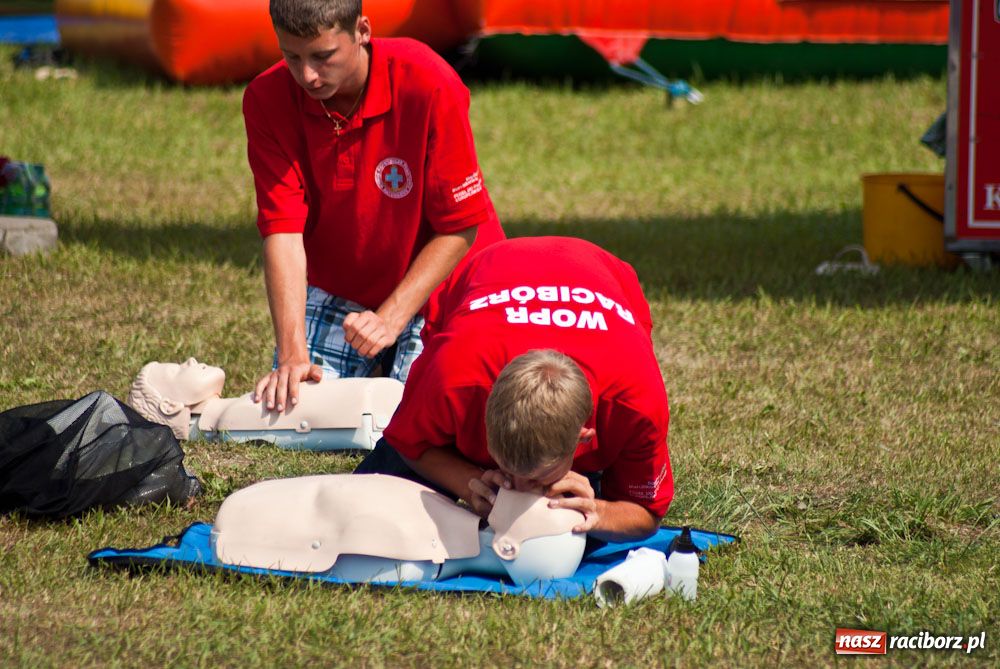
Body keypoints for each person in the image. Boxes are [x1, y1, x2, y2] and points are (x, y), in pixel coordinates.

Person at [244, 0, 504, 414]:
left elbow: (460, 227)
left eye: (323, 56)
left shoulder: (429, 81)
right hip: (345, 290)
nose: (307, 75)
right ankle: (382, 359)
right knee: (299, 411)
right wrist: (293, 353)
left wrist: (390, 319)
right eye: (291, 56)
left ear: (362, 30)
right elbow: (283, 232)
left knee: (424, 418)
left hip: (446, 285)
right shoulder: (265, 98)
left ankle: (398, 355)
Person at [355, 236, 673, 542]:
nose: (518, 488)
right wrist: (470, 483)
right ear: (482, 408)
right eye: (504, 467)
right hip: (494, 268)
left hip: (601, 272)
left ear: (584, 438)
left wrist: (598, 513)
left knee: (573, 530)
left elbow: (646, 512)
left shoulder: (635, 404)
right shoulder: (453, 376)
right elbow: (409, 443)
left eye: (537, 477)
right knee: (374, 510)